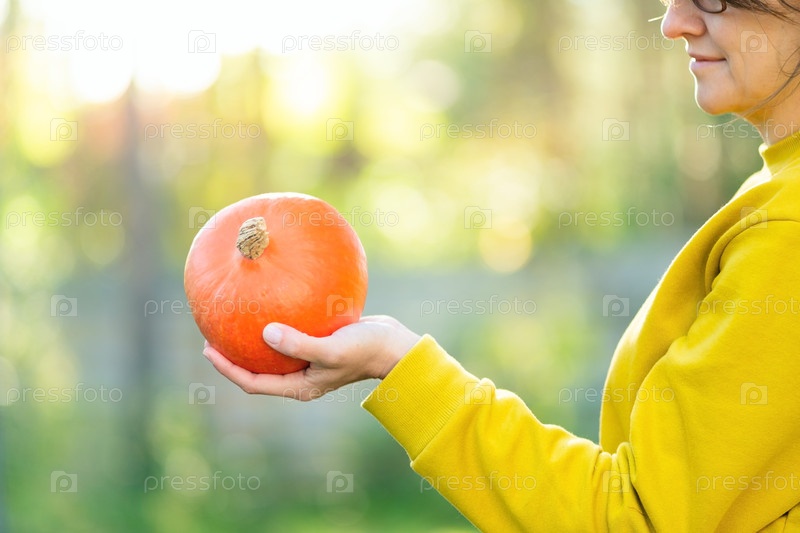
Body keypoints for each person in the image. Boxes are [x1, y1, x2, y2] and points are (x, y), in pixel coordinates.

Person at [203, 0, 800, 530]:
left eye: (713, 0)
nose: (674, 23)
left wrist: (400, 366)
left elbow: (638, 521)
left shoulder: (785, 230)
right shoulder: (775, 191)